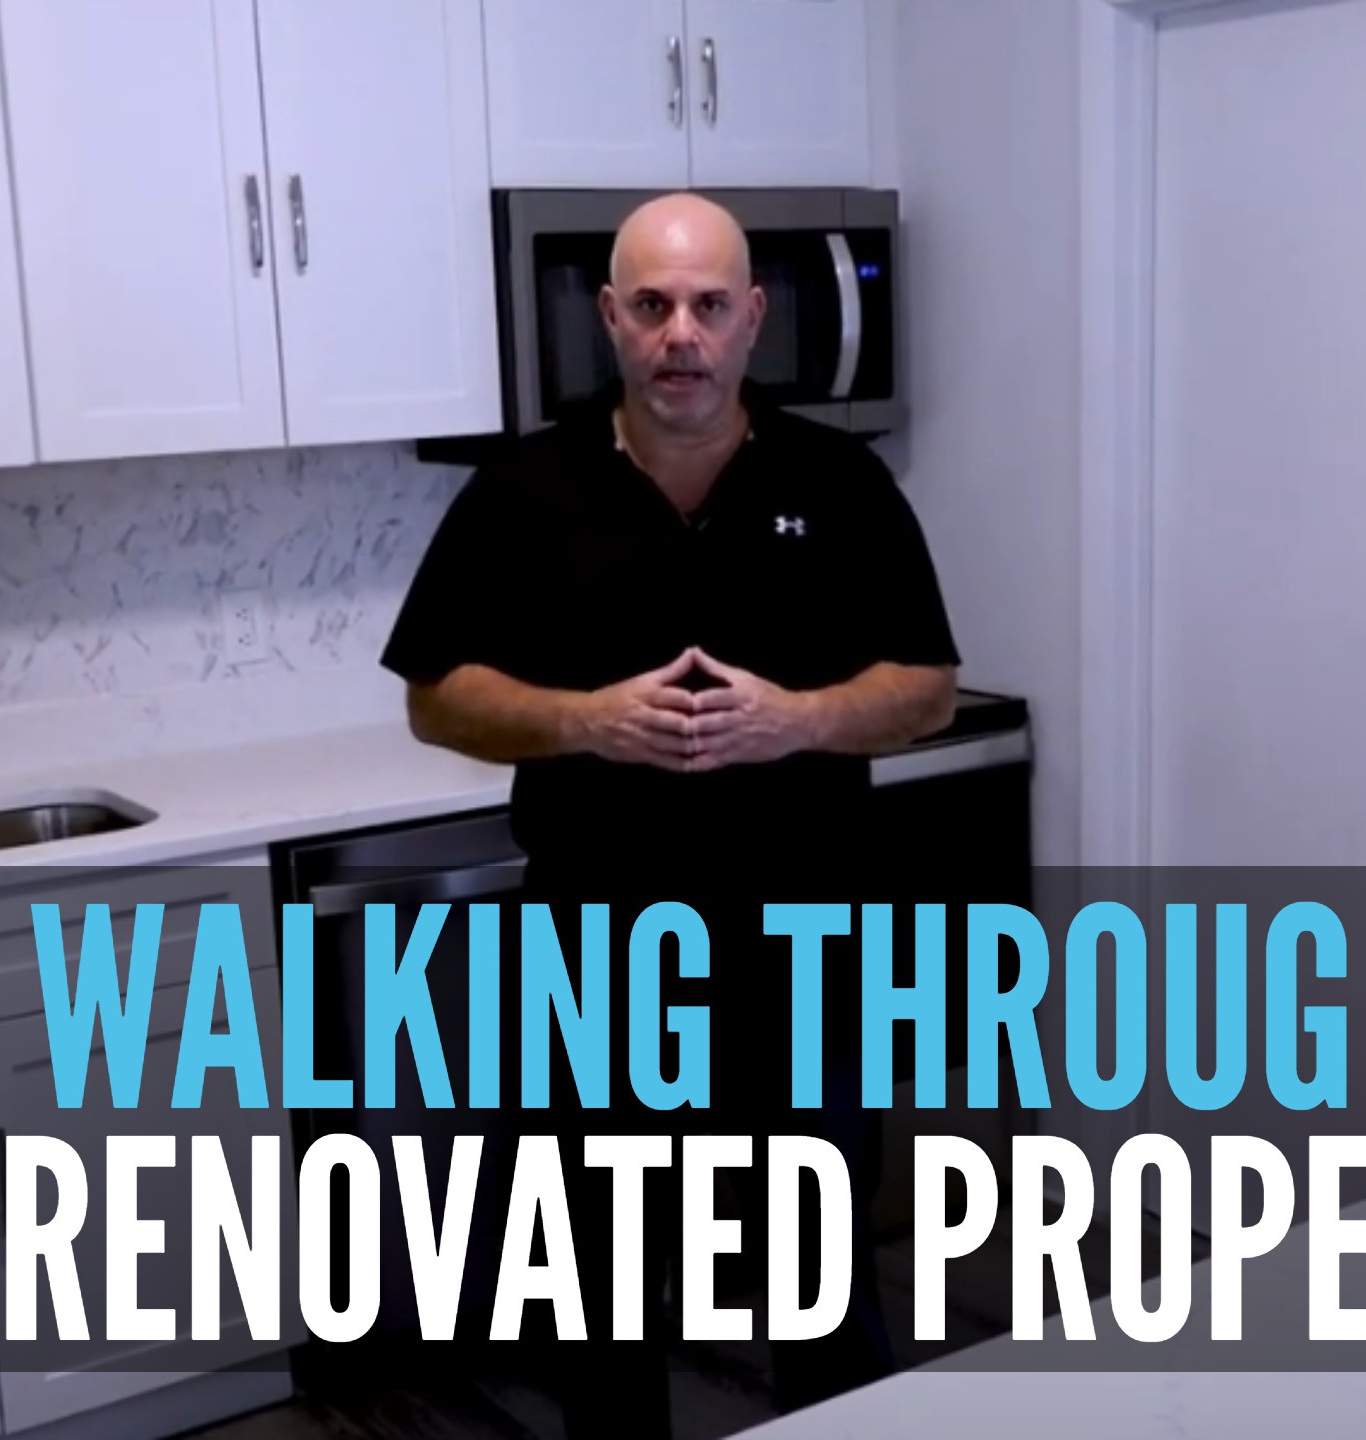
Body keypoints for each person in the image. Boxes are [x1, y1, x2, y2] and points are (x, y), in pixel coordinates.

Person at [380, 191, 961, 1433]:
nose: (679, 334)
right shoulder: (524, 489)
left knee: (819, 1273)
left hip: (805, 946)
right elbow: (436, 696)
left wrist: (799, 719)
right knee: (603, 1282)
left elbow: (925, 688)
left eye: (706, 306)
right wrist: (582, 720)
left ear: (754, 318)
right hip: (600, 947)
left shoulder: (841, 481)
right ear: (609, 318)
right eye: (651, 305)